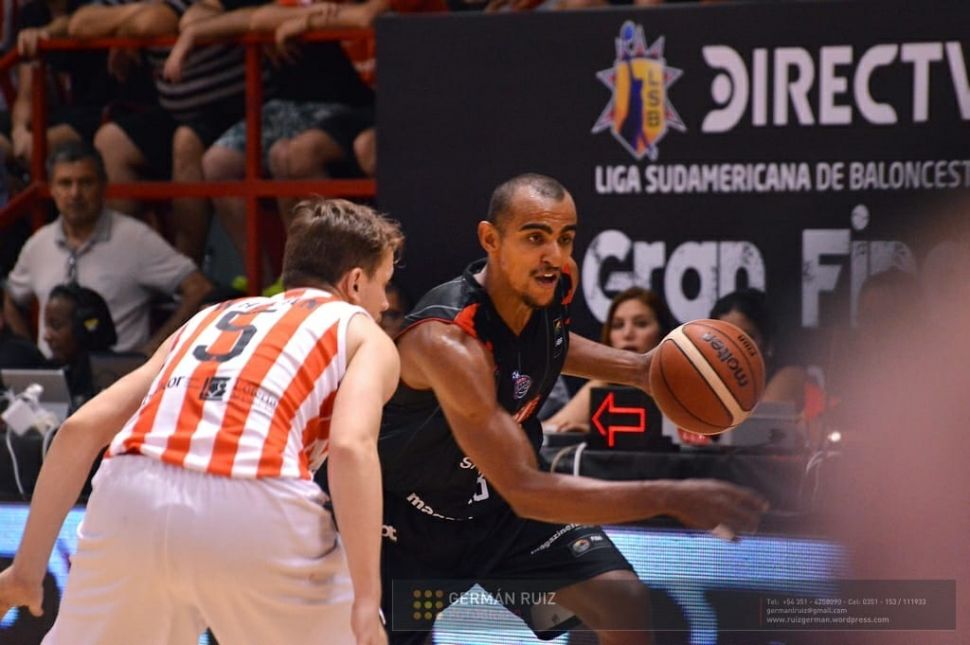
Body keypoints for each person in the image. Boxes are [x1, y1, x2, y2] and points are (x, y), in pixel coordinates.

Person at [363, 174, 768, 644]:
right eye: (535, 237)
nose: (554, 255)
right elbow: (526, 489)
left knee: (621, 599)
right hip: (413, 534)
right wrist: (672, 497)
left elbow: (550, 342)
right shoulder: (448, 342)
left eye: (566, 238)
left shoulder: (552, 283)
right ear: (491, 239)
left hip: (498, 520)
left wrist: (641, 371)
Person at [0, 198, 403, 645]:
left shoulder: (209, 317)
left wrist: (26, 570)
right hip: (254, 495)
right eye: (384, 283)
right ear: (355, 282)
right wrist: (366, 597)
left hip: (131, 495)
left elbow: (80, 429)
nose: (385, 302)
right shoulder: (363, 332)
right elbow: (350, 447)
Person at [3, 141, 212, 356]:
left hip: (118, 372)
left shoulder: (136, 238)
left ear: (103, 185)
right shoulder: (38, 244)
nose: (75, 193)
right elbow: (10, 299)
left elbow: (199, 288)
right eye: (65, 183)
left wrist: (153, 352)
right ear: (52, 189)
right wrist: (30, 356)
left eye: (86, 182)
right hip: (54, 374)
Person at [544, 286, 675, 432]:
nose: (627, 334)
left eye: (641, 324)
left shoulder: (678, 382)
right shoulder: (601, 384)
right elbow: (549, 429)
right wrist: (593, 433)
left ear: (662, 332)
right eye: (618, 325)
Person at [43, 282, 117, 406]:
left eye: (56, 326)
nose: (46, 336)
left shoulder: (115, 376)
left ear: (83, 329)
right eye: (47, 326)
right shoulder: (50, 370)